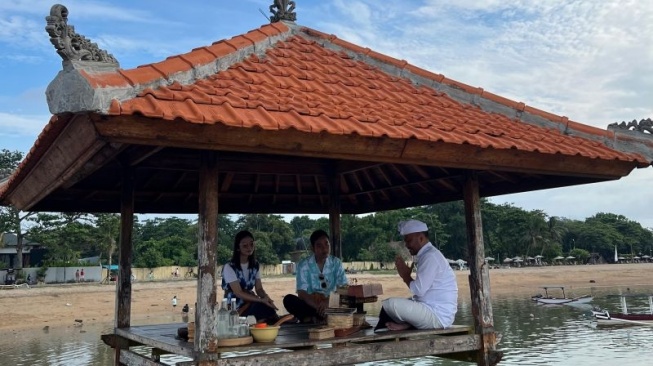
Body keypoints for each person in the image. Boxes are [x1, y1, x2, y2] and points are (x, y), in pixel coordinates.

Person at [374, 219, 458, 332]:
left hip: (437, 316)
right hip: (432, 310)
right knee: (399, 303)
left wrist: (405, 276)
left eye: (409, 241)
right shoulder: (427, 255)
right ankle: (407, 325)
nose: (407, 245)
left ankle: (384, 333)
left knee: (390, 304)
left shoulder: (430, 257)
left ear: (421, 238)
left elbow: (419, 290)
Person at [283, 229, 348, 323]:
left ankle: (310, 318)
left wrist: (327, 302)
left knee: (348, 300)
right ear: (312, 248)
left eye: (327, 244)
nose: (324, 248)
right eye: (319, 245)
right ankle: (316, 317)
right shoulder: (303, 264)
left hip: (332, 303)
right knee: (288, 300)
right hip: (312, 305)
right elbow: (302, 293)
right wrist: (318, 307)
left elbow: (344, 288)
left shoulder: (336, 263)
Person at [221, 230, 279, 324]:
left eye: (251, 244)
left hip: (252, 301)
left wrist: (267, 298)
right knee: (260, 306)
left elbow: (259, 289)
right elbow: (238, 292)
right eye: (245, 245)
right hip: (235, 307)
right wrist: (261, 300)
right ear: (238, 248)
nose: (249, 247)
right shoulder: (229, 267)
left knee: (265, 307)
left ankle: (265, 322)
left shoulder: (255, 265)